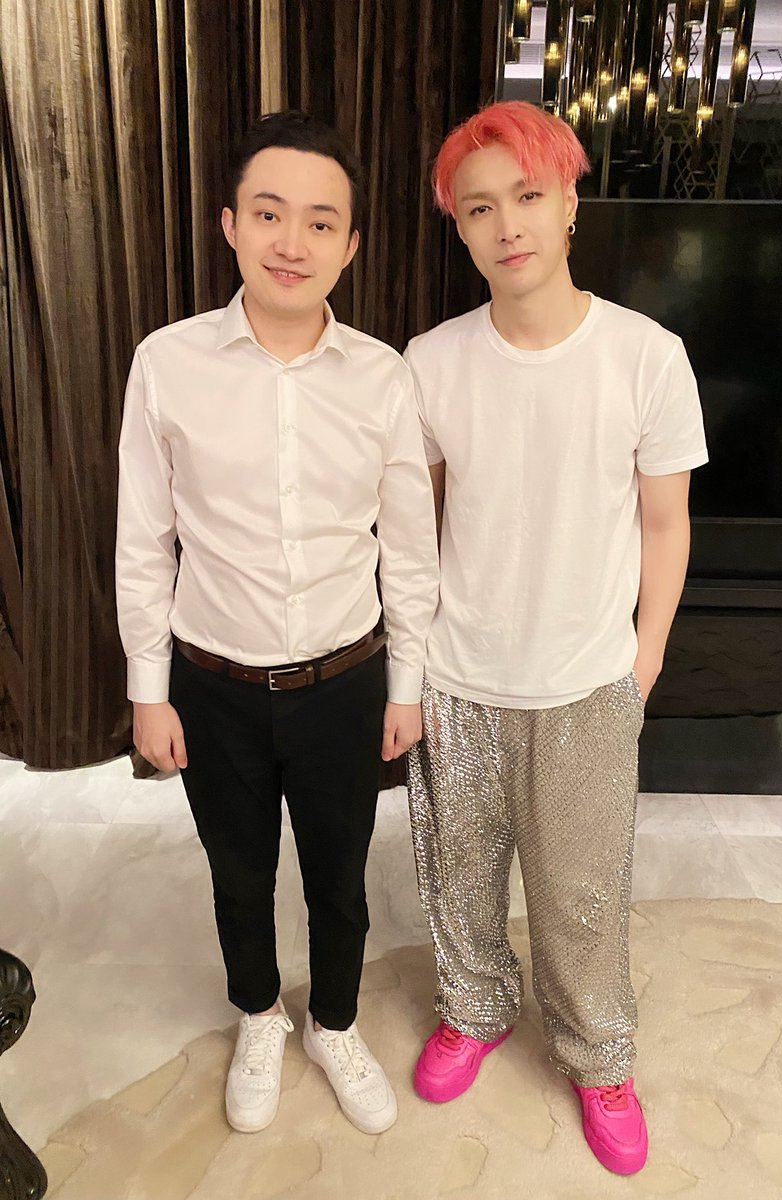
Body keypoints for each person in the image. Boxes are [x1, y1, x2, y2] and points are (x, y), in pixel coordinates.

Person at [115, 110, 439, 1137]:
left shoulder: (384, 377)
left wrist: (406, 686)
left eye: (319, 222)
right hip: (211, 684)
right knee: (238, 873)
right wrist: (148, 690)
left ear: (350, 244)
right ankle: (258, 1014)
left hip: (345, 682)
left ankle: (334, 1024)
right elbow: (142, 540)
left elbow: (411, 548)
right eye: (268, 214)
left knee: (341, 878)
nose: (291, 242)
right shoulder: (168, 363)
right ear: (230, 224)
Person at [404, 100, 708, 1176]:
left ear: (570, 201)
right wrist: (412, 666)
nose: (507, 224)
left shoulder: (645, 357)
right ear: (458, 227)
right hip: (458, 676)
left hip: (587, 682)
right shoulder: (431, 361)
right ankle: (475, 1007)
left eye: (527, 195)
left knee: (582, 896)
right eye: (479, 207)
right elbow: (419, 527)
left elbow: (665, 523)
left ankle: (597, 1055)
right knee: (458, 877)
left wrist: (645, 659)